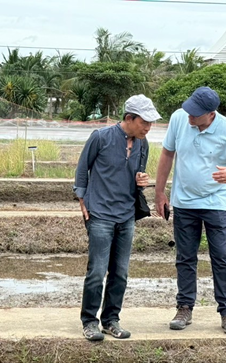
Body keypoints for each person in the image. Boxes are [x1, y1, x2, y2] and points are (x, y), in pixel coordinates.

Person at [154, 86, 226, 335]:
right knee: (185, 257)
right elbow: (167, 154)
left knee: (221, 257)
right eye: (188, 110)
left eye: (195, 114)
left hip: (215, 203)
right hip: (184, 202)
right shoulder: (179, 119)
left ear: (211, 114)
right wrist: (160, 192)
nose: (189, 117)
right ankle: (184, 307)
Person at [74, 95, 161, 341]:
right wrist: (82, 201)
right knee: (97, 270)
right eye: (144, 122)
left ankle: (111, 320)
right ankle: (89, 321)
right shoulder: (100, 137)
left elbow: (138, 177)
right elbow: (82, 170)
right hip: (100, 213)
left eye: (151, 123)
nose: (148, 127)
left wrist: (141, 181)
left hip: (126, 215)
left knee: (120, 272)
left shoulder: (143, 145)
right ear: (129, 118)